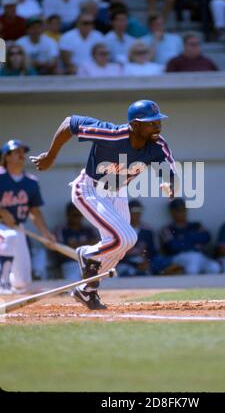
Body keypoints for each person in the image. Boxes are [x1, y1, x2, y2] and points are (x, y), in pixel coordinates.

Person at [30, 99, 178, 310]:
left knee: (121, 247)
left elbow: (169, 169)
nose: (157, 126)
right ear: (135, 125)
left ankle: (86, 291)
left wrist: (169, 183)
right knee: (126, 237)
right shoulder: (111, 133)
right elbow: (69, 122)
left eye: (158, 121)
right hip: (89, 189)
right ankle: (87, 254)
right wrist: (51, 156)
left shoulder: (157, 144)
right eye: (151, 122)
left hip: (118, 193)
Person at [0, 140, 55, 294]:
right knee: (8, 238)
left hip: (18, 227)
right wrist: (2, 211)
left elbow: (35, 211)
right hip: (1, 227)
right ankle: (2, 283)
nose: (21, 155)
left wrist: (45, 233)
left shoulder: (30, 182)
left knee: (22, 281)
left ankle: (9, 282)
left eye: (23, 152)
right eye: (17, 151)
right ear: (7, 156)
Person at [160, 198, 221, 274]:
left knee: (214, 267)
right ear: (172, 212)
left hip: (199, 255)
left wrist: (185, 239)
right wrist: (194, 241)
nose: (182, 213)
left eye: (184, 210)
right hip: (179, 257)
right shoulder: (167, 229)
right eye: (178, 210)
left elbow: (207, 237)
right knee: (192, 267)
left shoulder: (196, 225)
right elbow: (173, 247)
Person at [55, 202, 98, 280]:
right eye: (74, 215)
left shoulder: (89, 229)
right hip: (70, 263)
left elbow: (98, 246)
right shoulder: (61, 230)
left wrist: (75, 246)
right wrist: (87, 246)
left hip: (89, 262)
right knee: (73, 282)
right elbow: (61, 250)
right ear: (68, 215)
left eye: (79, 215)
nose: (77, 218)